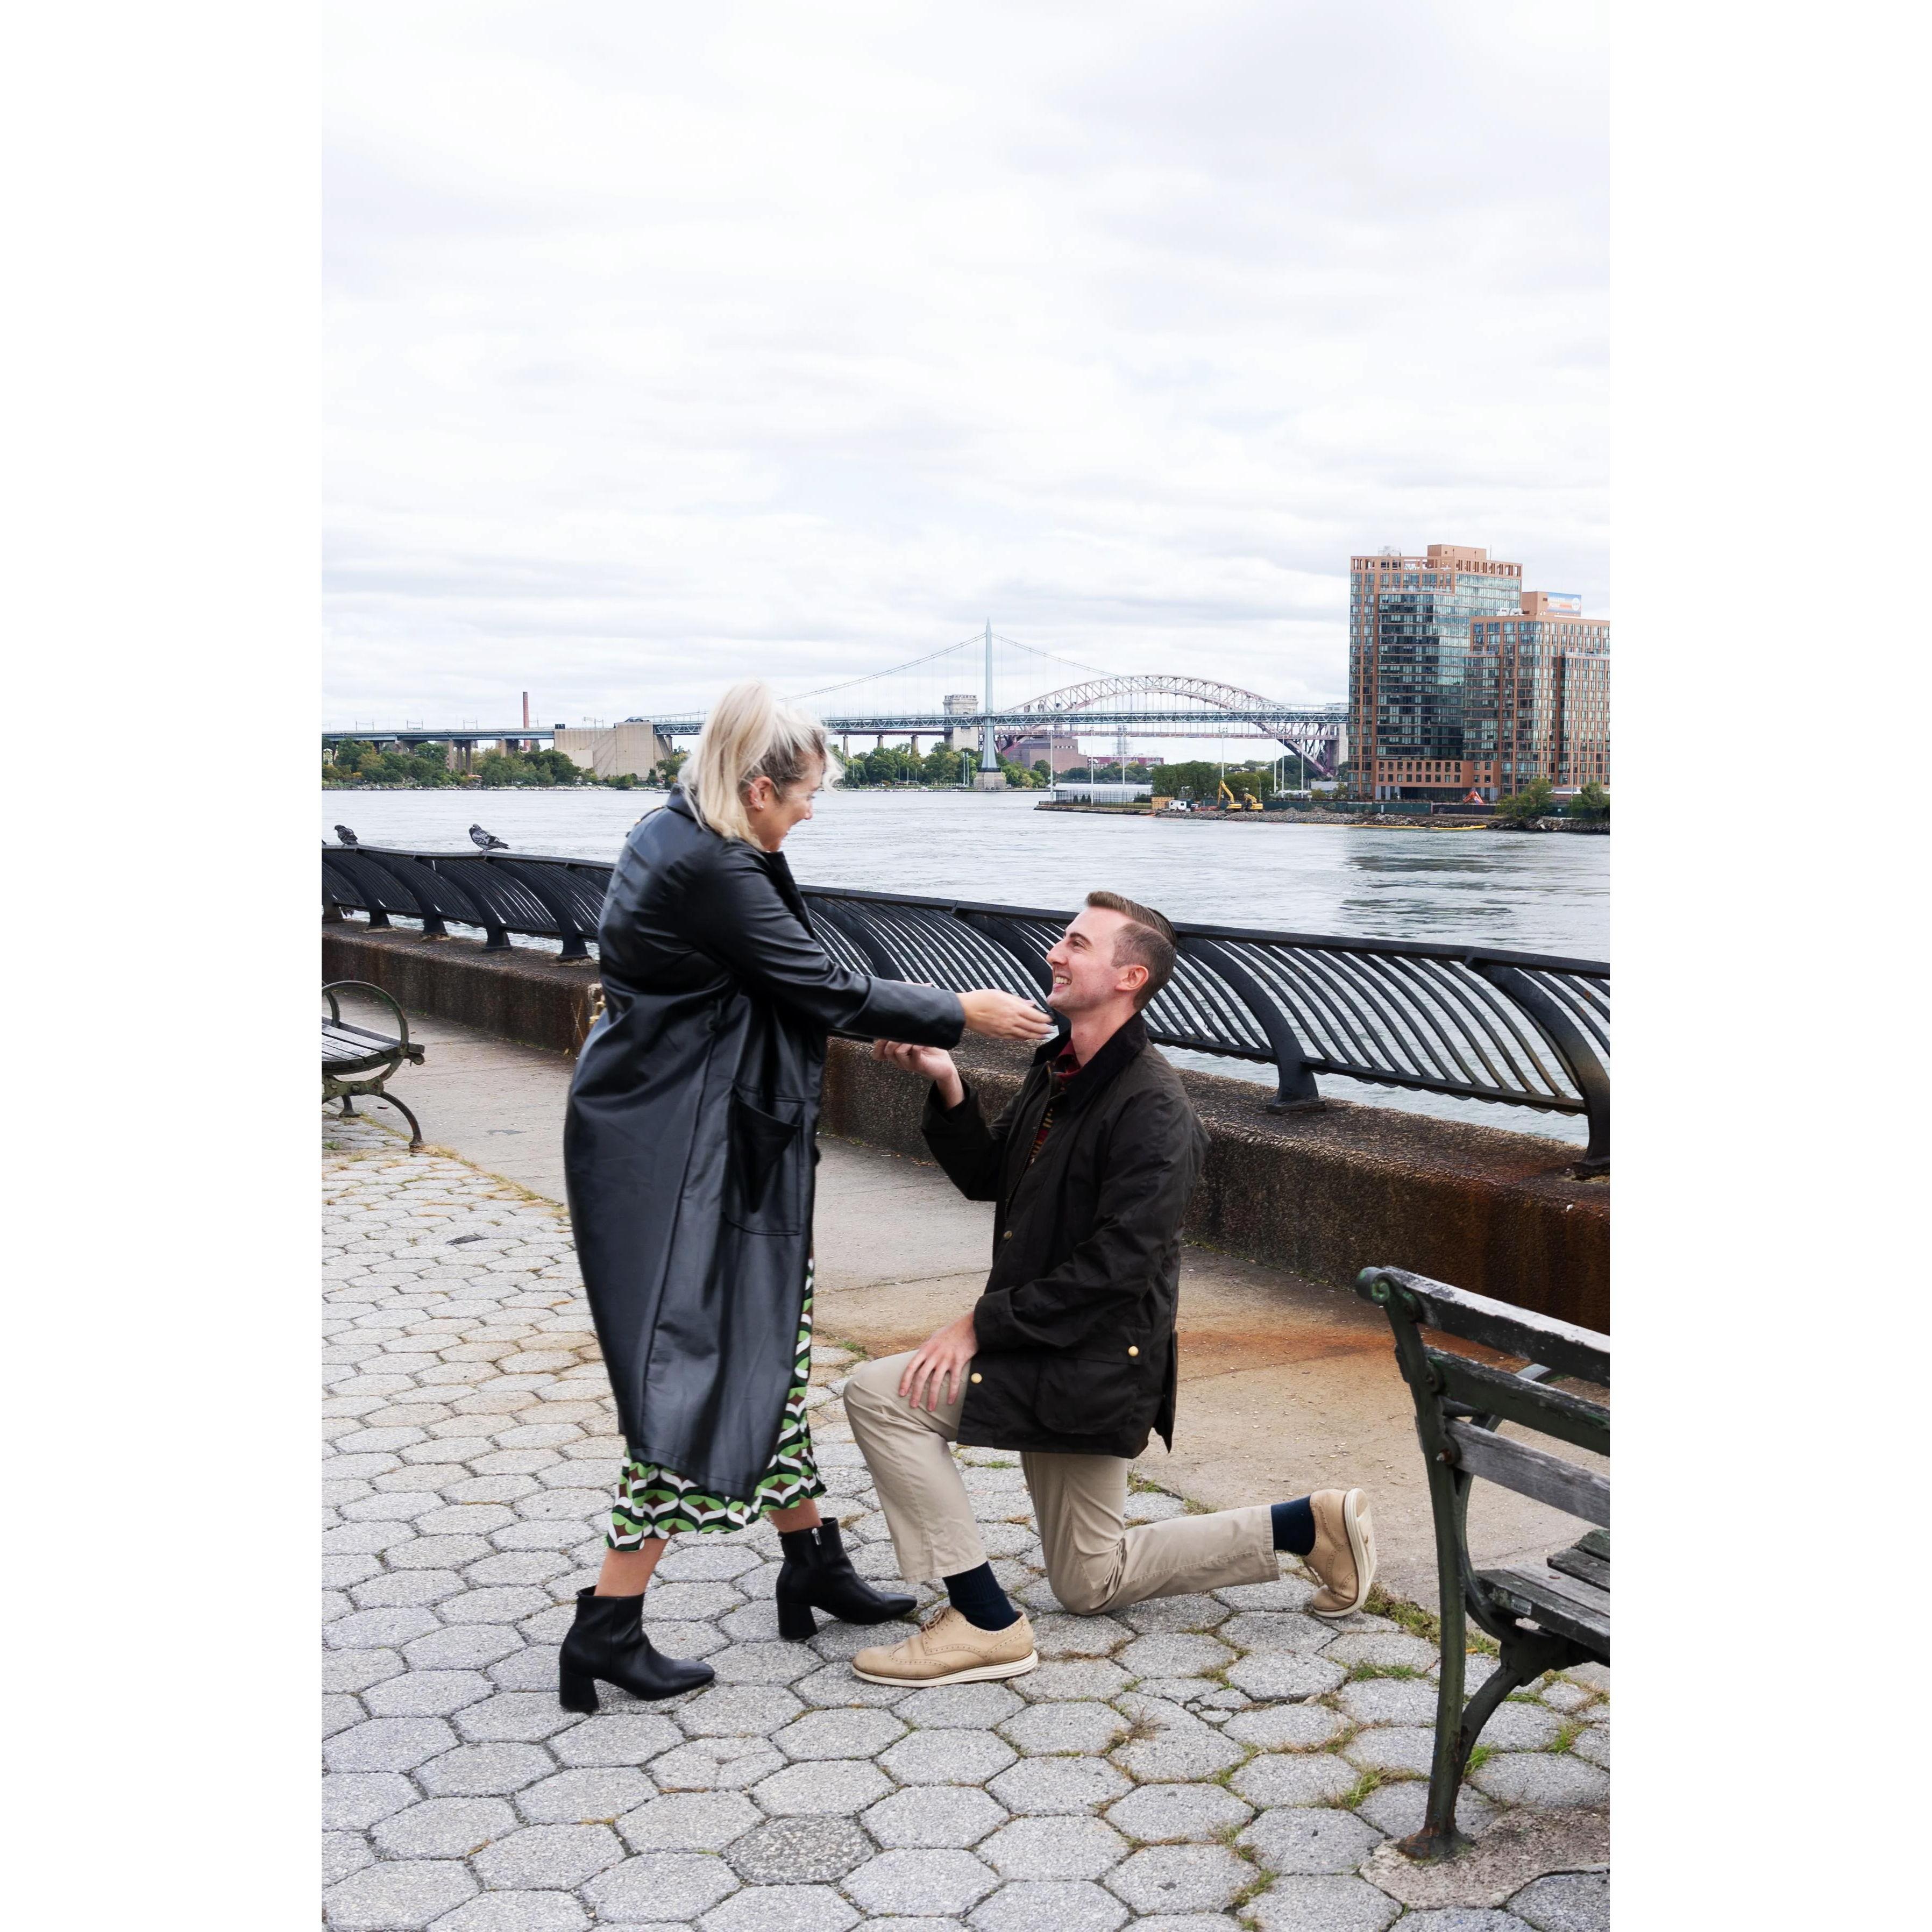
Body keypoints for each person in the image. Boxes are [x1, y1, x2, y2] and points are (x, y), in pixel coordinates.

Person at [556, 682, 1053, 1710]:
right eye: (806, 796)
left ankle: (811, 1562)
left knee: (770, 1348)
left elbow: (789, 972)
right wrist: (966, 1012)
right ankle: (606, 1622)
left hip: (694, 1129)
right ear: (756, 785)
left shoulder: (683, 832)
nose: (812, 812)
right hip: (691, 1149)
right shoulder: (715, 865)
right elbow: (820, 986)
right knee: (693, 1369)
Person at [846, 890, 1377, 1687]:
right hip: (1049, 1346)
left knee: (878, 1393)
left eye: (1076, 943)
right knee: (1091, 1582)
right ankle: (1308, 1525)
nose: (1055, 954)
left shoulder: (1155, 1110)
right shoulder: (1060, 1070)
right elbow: (988, 1175)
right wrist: (947, 1078)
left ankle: (983, 1621)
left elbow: (1117, 1269)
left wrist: (978, 1326)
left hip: (1090, 1363)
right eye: (1064, 938)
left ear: (1129, 976)